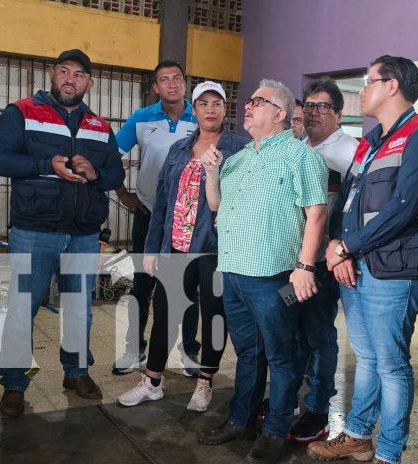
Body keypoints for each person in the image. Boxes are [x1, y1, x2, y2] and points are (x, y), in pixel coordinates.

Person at [308, 55, 418, 464]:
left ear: (393, 86)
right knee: (366, 357)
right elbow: (349, 202)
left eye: (370, 81)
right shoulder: (371, 139)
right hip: (357, 264)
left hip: (395, 268)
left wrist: (348, 248)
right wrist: (339, 246)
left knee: (390, 363)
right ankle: (357, 434)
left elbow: (404, 208)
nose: (364, 89)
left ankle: (389, 451)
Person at [0, 49, 125, 417]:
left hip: (82, 232)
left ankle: (76, 373)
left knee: (79, 309)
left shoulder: (98, 125)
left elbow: (116, 174)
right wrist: (46, 164)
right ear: (52, 74)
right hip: (34, 230)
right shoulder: (22, 112)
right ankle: (14, 383)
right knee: (22, 308)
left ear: (89, 83)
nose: (70, 79)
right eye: (64, 71)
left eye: (79, 74)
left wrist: (97, 176)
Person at [198, 79, 328, 464]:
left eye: (258, 101)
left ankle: (275, 431)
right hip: (235, 271)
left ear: (280, 113)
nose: (249, 106)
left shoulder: (301, 157)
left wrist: (305, 267)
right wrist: (211, 174)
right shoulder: (236, 158)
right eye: (250, 100)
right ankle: (241, 420)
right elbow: (217, 206)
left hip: (274, 278)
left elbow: (316, 213)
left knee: (282, 356)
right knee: (248, 353)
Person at [116, 81, 247, 411]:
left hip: (215, 248)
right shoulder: (179, 150)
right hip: (176, 244)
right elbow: (162, 203)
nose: (210, 109)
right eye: (203, 104)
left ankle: (205, 381)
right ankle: (152, 381)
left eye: (217, 103)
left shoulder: (239, 149)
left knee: (214, 314)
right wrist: (153, 248)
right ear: (195, 109)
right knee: (164, 313)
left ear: (224, 109)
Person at [112, 60, 200, 376]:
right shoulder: (141, 119)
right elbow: (110, 158)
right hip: (148, 217)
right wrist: (123, 194)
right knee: (141, 286)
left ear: (185, 84)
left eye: (177, 78)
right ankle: (133, 350)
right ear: (156, 88)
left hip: (187, 221)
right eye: (164, 79)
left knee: (188, 288)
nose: (172, 84)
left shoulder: (200, 117)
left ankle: (189, 353)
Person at [287, 78, 358, 444]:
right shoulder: (296, 147)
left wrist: (340, 248)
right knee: (293, 333)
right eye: (309, 105)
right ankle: (293, 400)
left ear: (339, 114)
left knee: (319, 336)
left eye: (322, 106)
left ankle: (317, 409)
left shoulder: (350, 153)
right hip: (290, 261)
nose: (313, 112)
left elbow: (357, 209)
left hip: (322, 265)